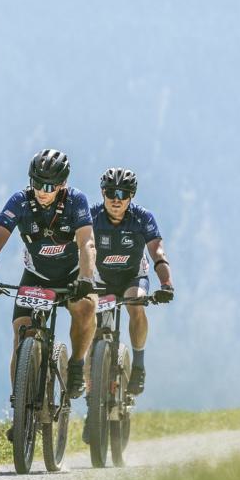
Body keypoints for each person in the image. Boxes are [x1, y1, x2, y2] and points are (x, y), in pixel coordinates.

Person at [0, 149, 98, 439]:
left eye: (49, 186)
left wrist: (86, 278)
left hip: (71, 277)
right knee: (21, 334)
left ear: (62, 185)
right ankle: (20, 410)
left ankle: (77, 363)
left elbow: (87, 244)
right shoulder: (20, 201)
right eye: (36, 183)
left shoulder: (76, 201)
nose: (42, 191)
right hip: (36, 278)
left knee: (86, 309)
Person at [90, 167, 174, 395]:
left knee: (135, 302)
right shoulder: (91, 217)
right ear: (102, 193)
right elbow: (76, 249)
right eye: (111, 193)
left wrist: (166, 284)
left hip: (133, 277)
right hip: (101, 280)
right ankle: (92, 401)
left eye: (123, 194)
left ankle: (138, 365)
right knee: (93, 331)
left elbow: (157, 252)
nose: (116, 200)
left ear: (132, 196)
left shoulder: (142, 217)